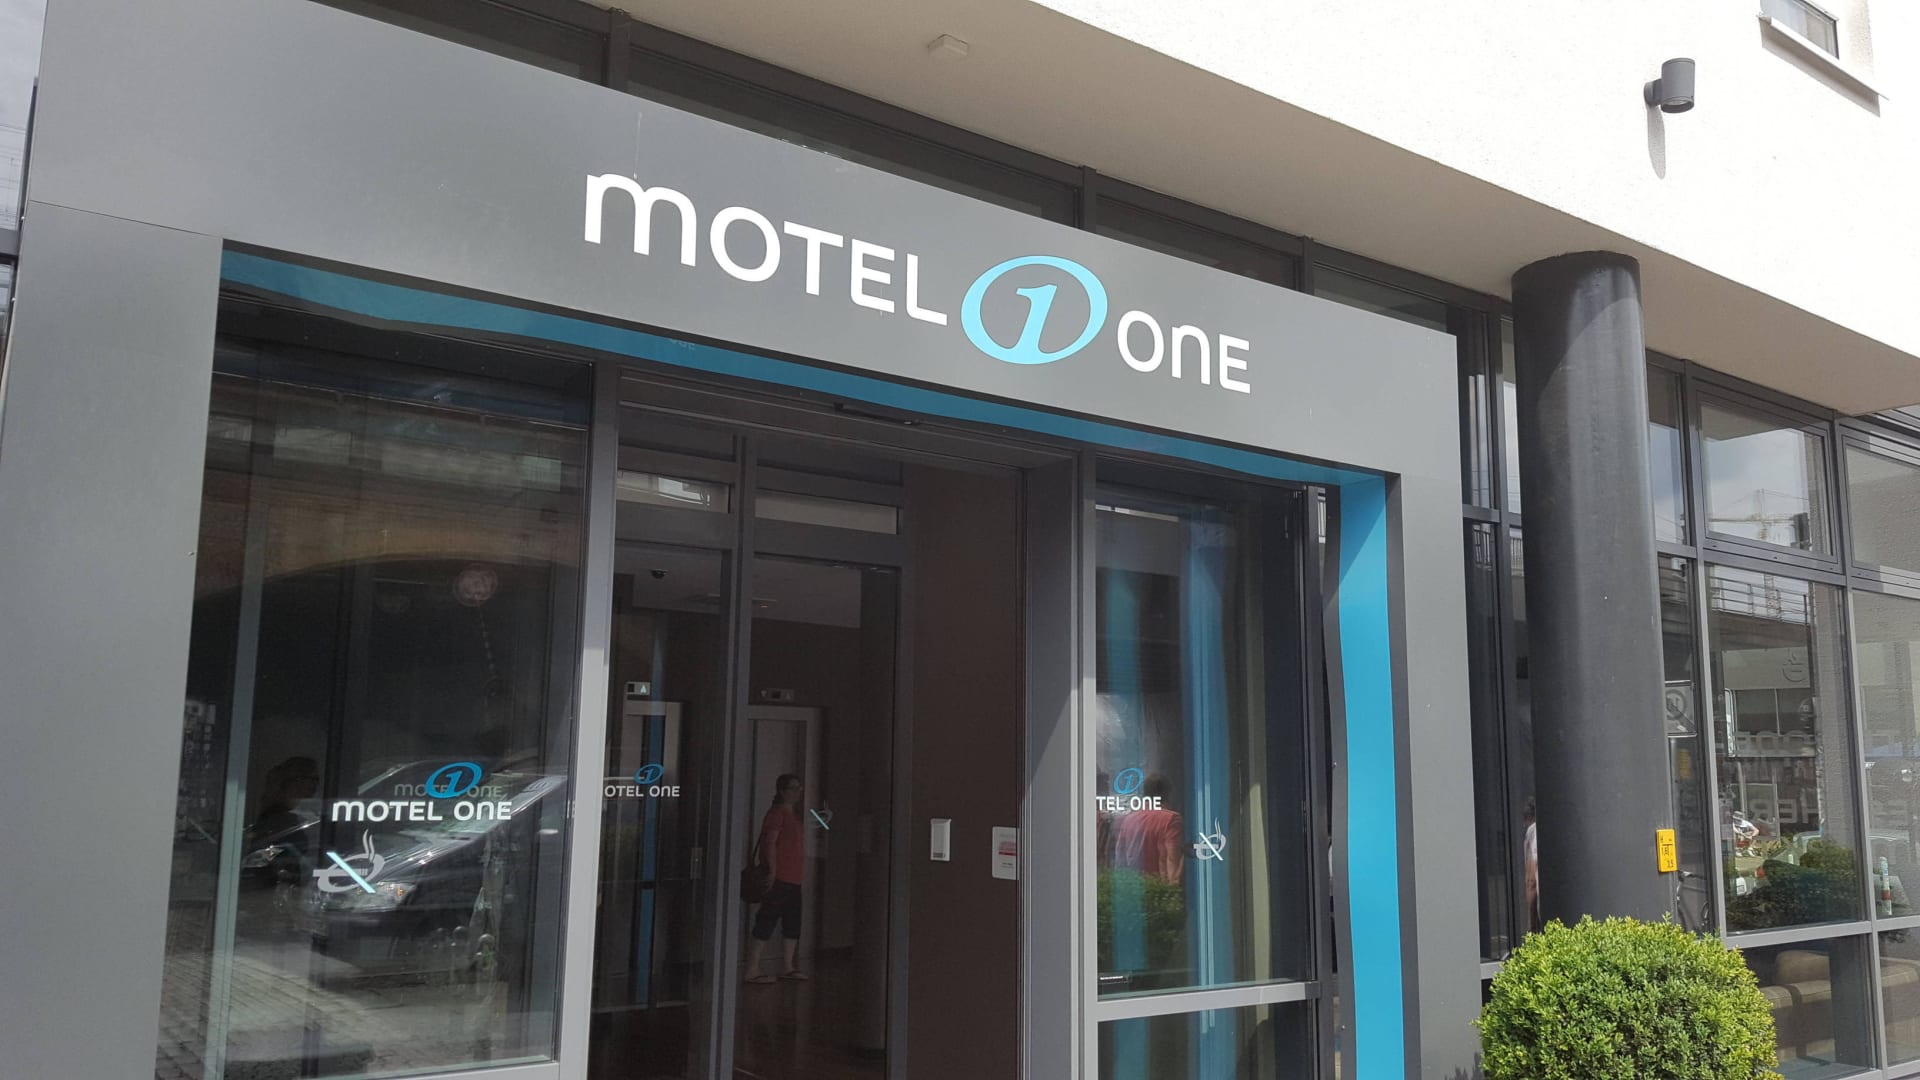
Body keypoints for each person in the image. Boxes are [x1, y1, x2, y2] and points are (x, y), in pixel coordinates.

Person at [745, 773, 809, 984]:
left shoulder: (793, 815)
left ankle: (788, 966)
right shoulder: (777, 813)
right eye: (793, 788)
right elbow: (769, 843)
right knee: (767, 918)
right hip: (780, 876)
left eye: (799, 788)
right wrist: (772, 871)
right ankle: (752, 967)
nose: (797, 792)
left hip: (794, 877)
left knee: (792, 922)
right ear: (782, 791)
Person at [1113, 773, 1184, 884]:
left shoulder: (1129, 820)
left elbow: (1120, 859)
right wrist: (1173, 885)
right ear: (1168, 793)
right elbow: (1172, 857)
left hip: (1135, 885)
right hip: (1159, 887)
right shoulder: (1171, 819)